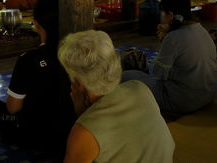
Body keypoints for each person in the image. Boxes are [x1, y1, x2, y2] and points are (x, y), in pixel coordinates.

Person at [0, 0, 75, 156]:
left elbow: (13, 108)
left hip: (33, 134)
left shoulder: (28, 59)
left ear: (36, 24)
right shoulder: (78, 52)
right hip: (72, 130)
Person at [58, 30, 175, 163]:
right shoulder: (139, 88)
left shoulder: (83, 133)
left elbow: (95, 127)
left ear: (78, 83)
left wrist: (80, 115)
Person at [123, 0, 217, 114]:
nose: (161, 15)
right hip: (208, 96)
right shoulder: (202, 30)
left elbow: (158, 73)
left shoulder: (173, 37)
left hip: (182, 101)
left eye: (163, 12)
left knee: (126, 76)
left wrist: (163, 41)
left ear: (171, 15)